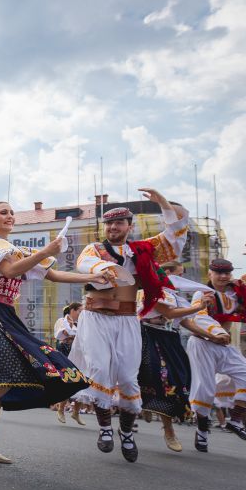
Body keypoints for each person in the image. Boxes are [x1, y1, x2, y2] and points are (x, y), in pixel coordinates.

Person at [0, 202, 101, 464]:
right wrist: (47, 250)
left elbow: (54, 275)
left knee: (5, 379)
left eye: (12, 212)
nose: (10, 216)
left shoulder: (17, 251)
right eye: (3, 212)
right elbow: (10, 270)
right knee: (9, 366)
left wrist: (92, 278)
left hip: (5, 314)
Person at [71, 190, 189, 462]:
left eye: (120, 223)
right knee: (98, 368)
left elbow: (175, 235)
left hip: (126, 320)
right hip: (95, 318)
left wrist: (161, 202)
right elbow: (84, 264)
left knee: (126, 376)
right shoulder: (95, 249)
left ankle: (125, 432)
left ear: (129, 226)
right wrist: (105, 270)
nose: (113, 227)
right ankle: (104, 429)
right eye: (110, 223)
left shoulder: (143, 250)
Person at [182, 246, 246, 452]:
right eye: (219, 273)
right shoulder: (202, 293)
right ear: (210, 274)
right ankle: (202, 431)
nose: (223, 276)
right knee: (204, 389)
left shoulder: (238, 288)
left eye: (226, 273)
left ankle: (236, 420)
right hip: (203, 343)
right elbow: (201, 317)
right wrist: (217, 333)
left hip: (224, 346)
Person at [137, 283, 210, 452]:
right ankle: (166, 428)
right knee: (158, 375)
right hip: (148, 334)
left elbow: (183, 321)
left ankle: (150, 406)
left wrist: (210, 335)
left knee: (177, 379)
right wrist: (198, 306)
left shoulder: (175, 297)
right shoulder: (151, 289)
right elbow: (169, 312)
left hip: (168, 336)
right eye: (177, 273)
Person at [52, 302, 84, 425]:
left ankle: (76, 412)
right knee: (69, 380)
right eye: (80, 311)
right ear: (73, 310)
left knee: (83, 382)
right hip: (66, 353)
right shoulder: (62, 320)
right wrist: (72, 335)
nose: (82, 313)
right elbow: (64, 334)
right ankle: (61, 409)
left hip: (80, 353)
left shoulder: (83, 323)